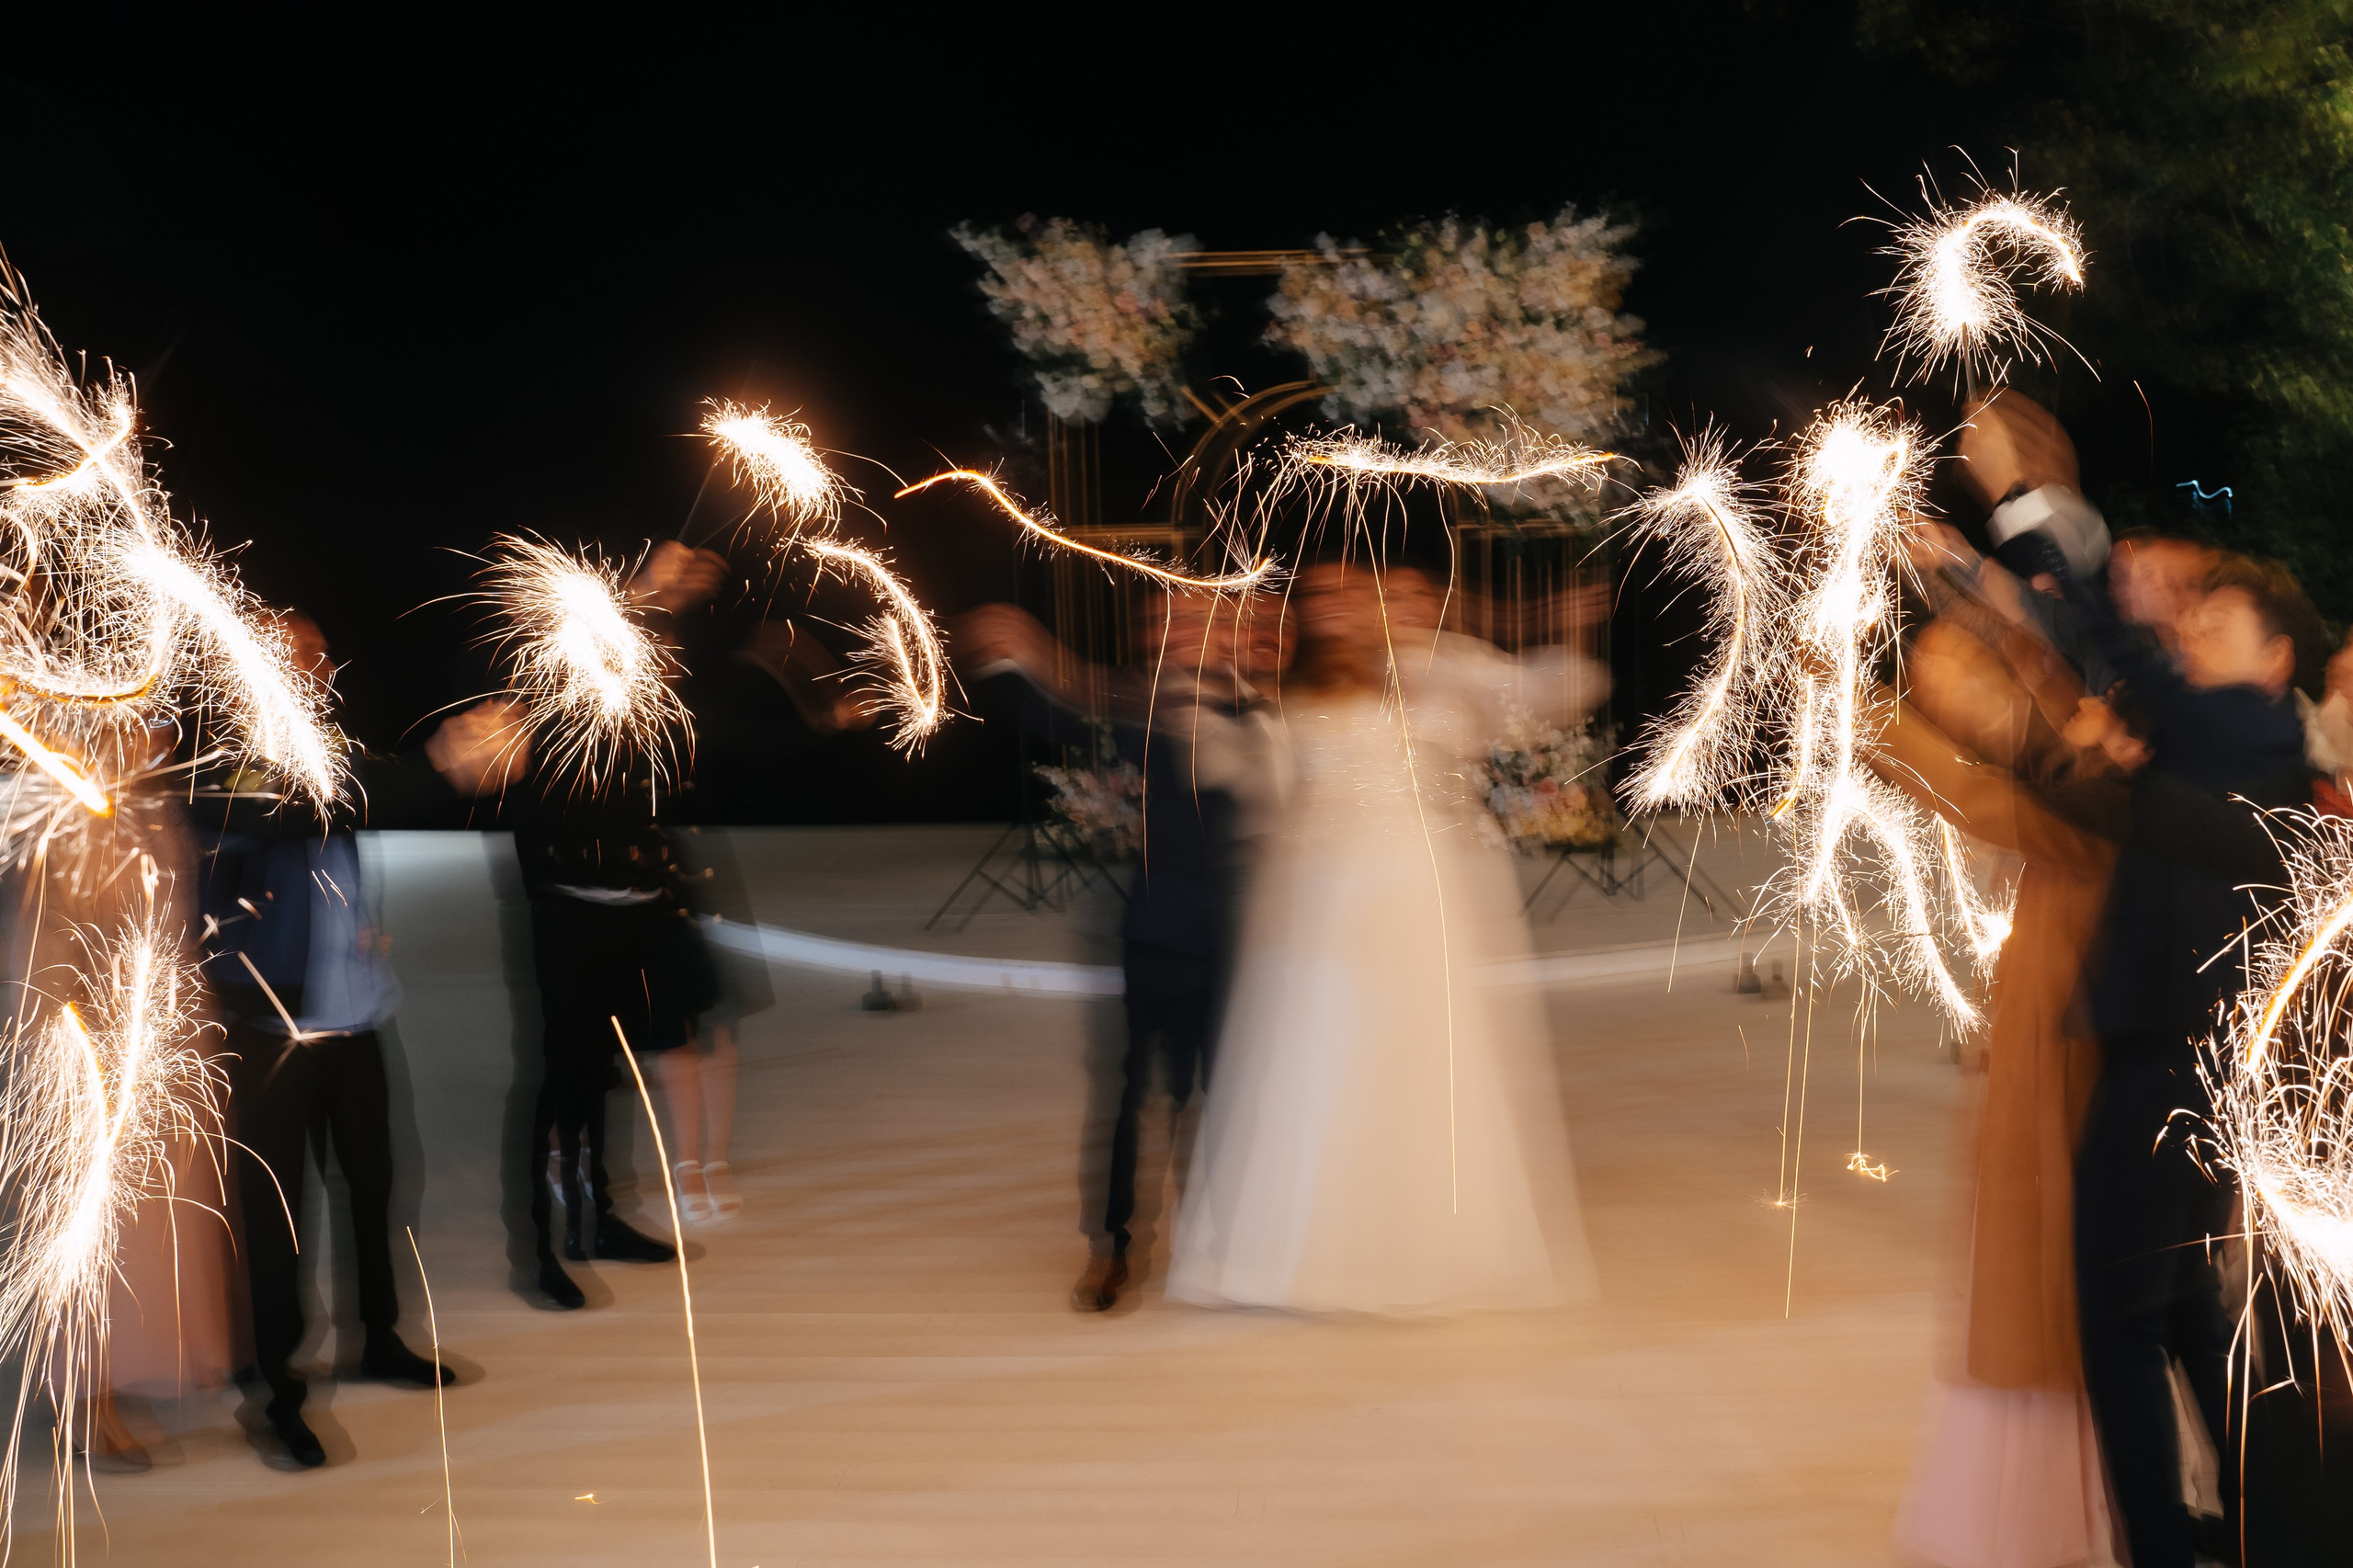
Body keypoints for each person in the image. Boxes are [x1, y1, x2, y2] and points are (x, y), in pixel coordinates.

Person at [1166, 559, 1602, 1314]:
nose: (1332, 606)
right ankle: (1303, 1251)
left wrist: (1557, 624)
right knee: (1318, 1054)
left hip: (1420, 891)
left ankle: (1426, 1247)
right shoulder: (1293, 688)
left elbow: (1556, 694)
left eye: (1349, 593)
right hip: (1319, 898)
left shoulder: (1449, 669)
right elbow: (1250, 782)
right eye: (1318, 595)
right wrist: (1198, 700)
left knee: (1421, 1054)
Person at [197, 610, 526, 1470]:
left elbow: (353, 799)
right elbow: (300, 808)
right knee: (277, 1220)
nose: (323, 663)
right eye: (306, 651)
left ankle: (377, 1338)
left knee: (375, 1182)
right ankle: (275, 1391)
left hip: (356, 1015)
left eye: (324, 648)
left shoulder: (324, 747)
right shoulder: (224, 757)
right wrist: (444, 765)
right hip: (272, 1031)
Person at [957, 587, 1292, 1312]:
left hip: (1246, 936)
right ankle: (1112, 1248)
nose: (1184, 640)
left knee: (1225, 1094)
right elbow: (1058, 711)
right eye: (1169, 627)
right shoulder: (1146, 704)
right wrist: (1012, 660)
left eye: (1201, 627)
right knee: (1130, 1093)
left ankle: (1221, 1242)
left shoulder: (1264, 705)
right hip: (1158, 929)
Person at [506, 542, 728, 1309]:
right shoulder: (558, 678)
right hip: (570, 911)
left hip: (633, 911)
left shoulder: (637, 700)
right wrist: (644, 592)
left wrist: (658, 608)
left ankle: (597, 1218)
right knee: (563, 1077)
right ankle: (539, 1248)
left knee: (602, 1076)